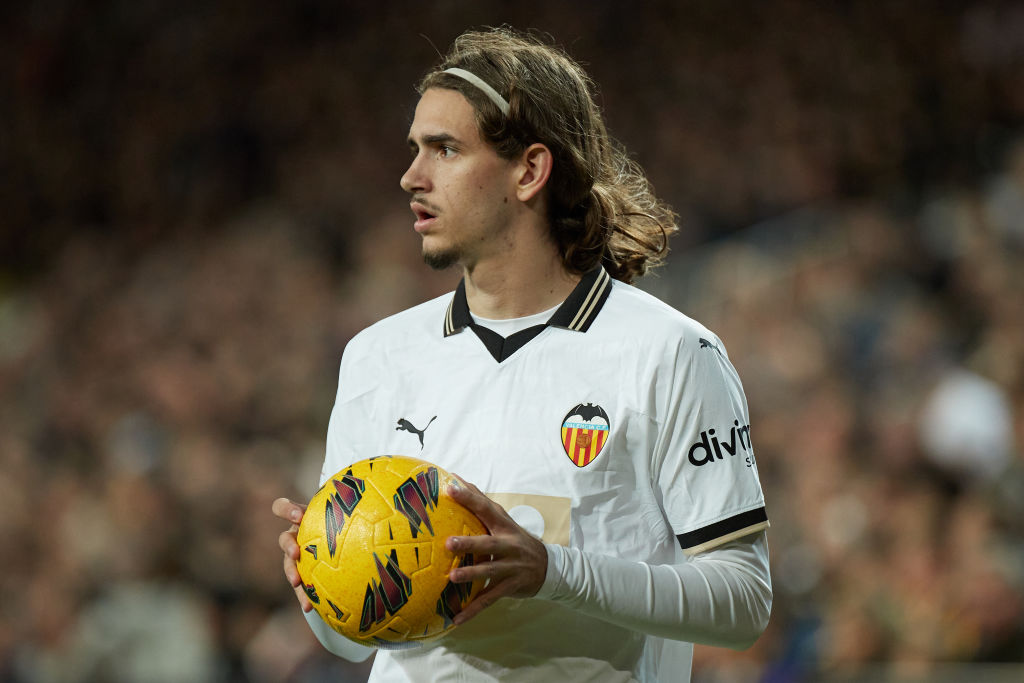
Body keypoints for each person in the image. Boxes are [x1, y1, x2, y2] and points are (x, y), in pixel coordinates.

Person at [273, 27, 771, 683]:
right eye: (415, 150)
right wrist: (323, 579)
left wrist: (552, 571)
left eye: (444, 149)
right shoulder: (377, 356)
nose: (411, 177)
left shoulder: (670, 352)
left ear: (530, 171)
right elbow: (349, 645)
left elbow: (743, 602)